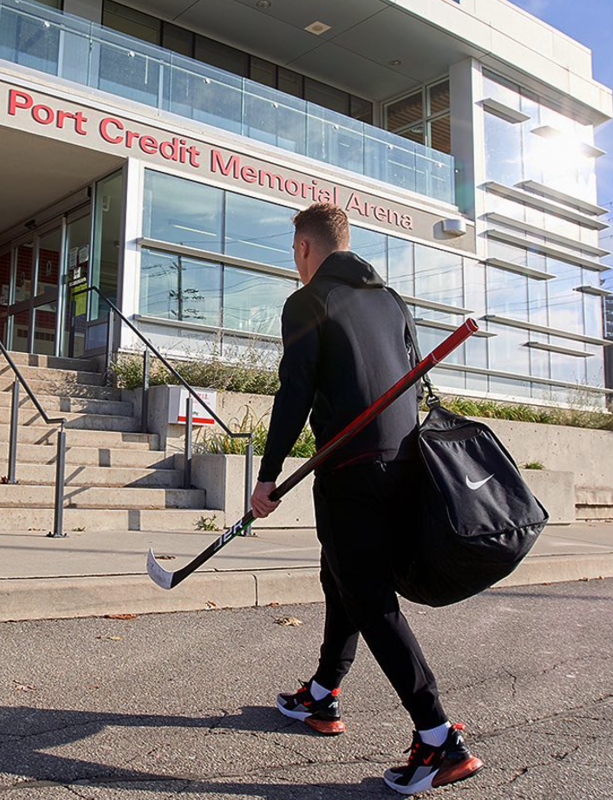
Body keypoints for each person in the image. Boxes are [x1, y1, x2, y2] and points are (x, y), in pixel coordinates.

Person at [249, 203, 483, 796]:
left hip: (351, 474)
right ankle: (323, 694)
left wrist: (268, 473)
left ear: (305, 248)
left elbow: (294, 390)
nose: (293, 261)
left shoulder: (307, 302)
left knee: (369, 598)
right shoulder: (392, 301)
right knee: (342, 579)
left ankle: (438, 738)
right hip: (404, 466)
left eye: (292, 250)